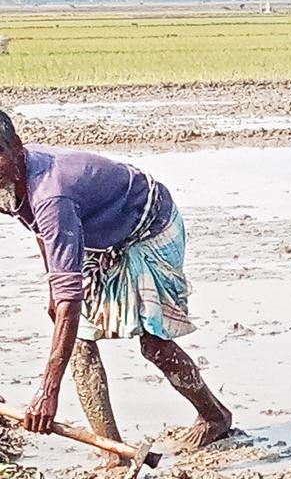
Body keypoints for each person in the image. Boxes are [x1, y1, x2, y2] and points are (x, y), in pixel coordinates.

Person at [0, 111, 231, 465]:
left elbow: (68, 293)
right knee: (80, 344)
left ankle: (215, 417)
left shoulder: (52, 194)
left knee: (154, 343)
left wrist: (48, 392)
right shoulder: (13, 180)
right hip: (98, 232)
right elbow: (37, 226)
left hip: (149, 224)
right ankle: (114, 452)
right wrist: (53, 286)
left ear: (16, 147)